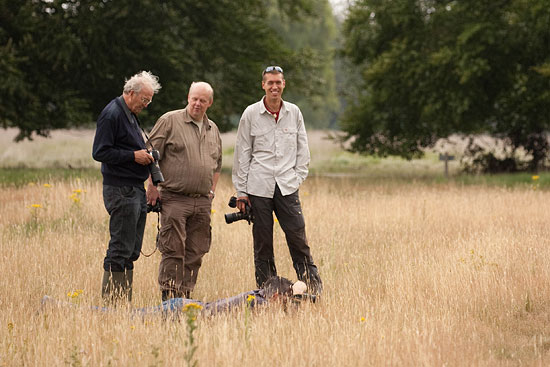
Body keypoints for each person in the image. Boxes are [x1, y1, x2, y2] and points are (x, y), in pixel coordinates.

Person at [232, 66, 323, 294]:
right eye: (270, 83)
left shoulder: (294, 112)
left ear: (284, 85)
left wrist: (296, 178)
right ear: (263, 85)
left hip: (287, 186)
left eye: (278, 83)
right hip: (258, 187)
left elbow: (303, 151)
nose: (274, 87)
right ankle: (267, 292)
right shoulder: (251, 114)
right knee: (263, 245)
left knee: (298, 238)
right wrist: (241, 191)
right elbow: (242, 154)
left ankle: (312, 291)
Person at [146, 81, 222, 301]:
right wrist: (152, 187)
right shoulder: (169, 121)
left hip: (202, 202)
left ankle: (185, 298)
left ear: (210, 103)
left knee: (196, 252)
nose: (197, 104)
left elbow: (217, 164)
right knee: (173, 251)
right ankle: (169, 300)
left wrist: (212, 191)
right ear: (188, 97)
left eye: (202, 100)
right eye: (194, 98)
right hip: (174, 198)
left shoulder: (212, 128)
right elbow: (151, 155)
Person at [92, 70, 162, 303]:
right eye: (145, 100)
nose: (146, 104)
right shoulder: (112, 114)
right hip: (120, 189)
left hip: (134, 189)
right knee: (120, 249)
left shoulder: (130, 113)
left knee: (131, 250)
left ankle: (123, 301)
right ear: (131, 93)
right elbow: (100, 152)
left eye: (149, 101)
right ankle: (111, 305)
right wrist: (134, 156)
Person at [38, 276, 313, 317]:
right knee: (119, 317)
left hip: (184, 306)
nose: (291, 306)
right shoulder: (259, 306)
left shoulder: (257, 296)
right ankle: (55, 306)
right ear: (278, 297)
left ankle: (56, 306)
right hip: (181, 312)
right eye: (291, 300)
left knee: (121, 317)